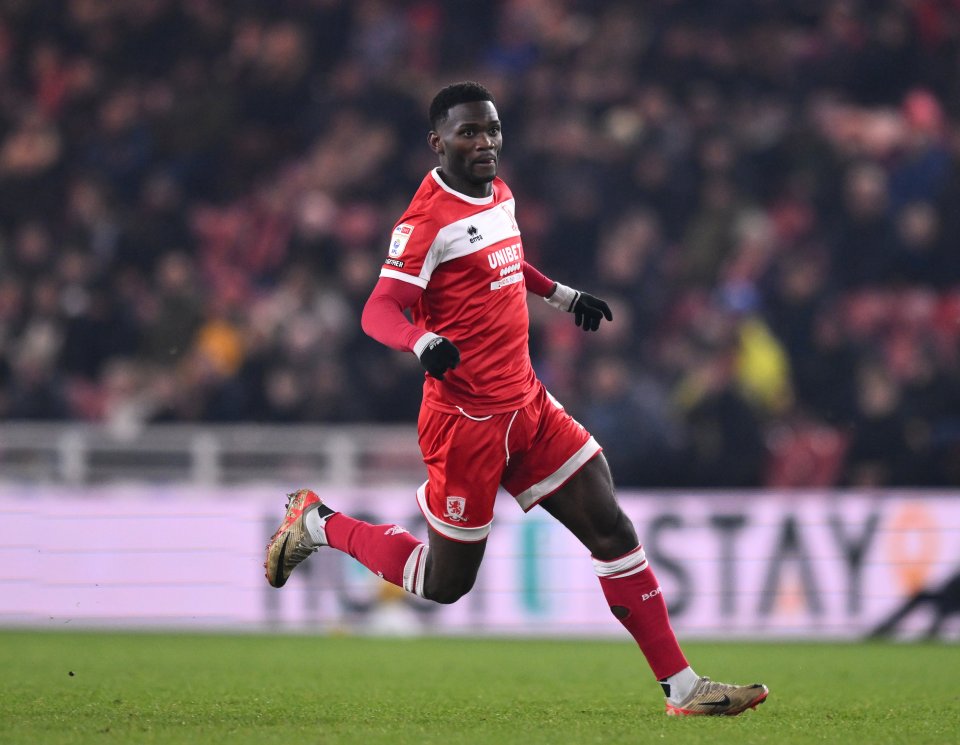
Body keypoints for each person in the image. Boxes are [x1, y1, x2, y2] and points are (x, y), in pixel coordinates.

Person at [264, 81, 768, 716]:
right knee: (445, 583)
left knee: (611, 526)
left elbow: (506, 260)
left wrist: (562, 295)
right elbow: (377, 308)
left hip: (526, 404)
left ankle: (683, 687)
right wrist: (421, 343)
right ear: (436, 142)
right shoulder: (425, 222)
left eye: (492, 130)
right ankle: (319, 524)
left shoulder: (497, 192)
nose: (485, 142)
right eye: (468, 132)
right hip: (465, 421)